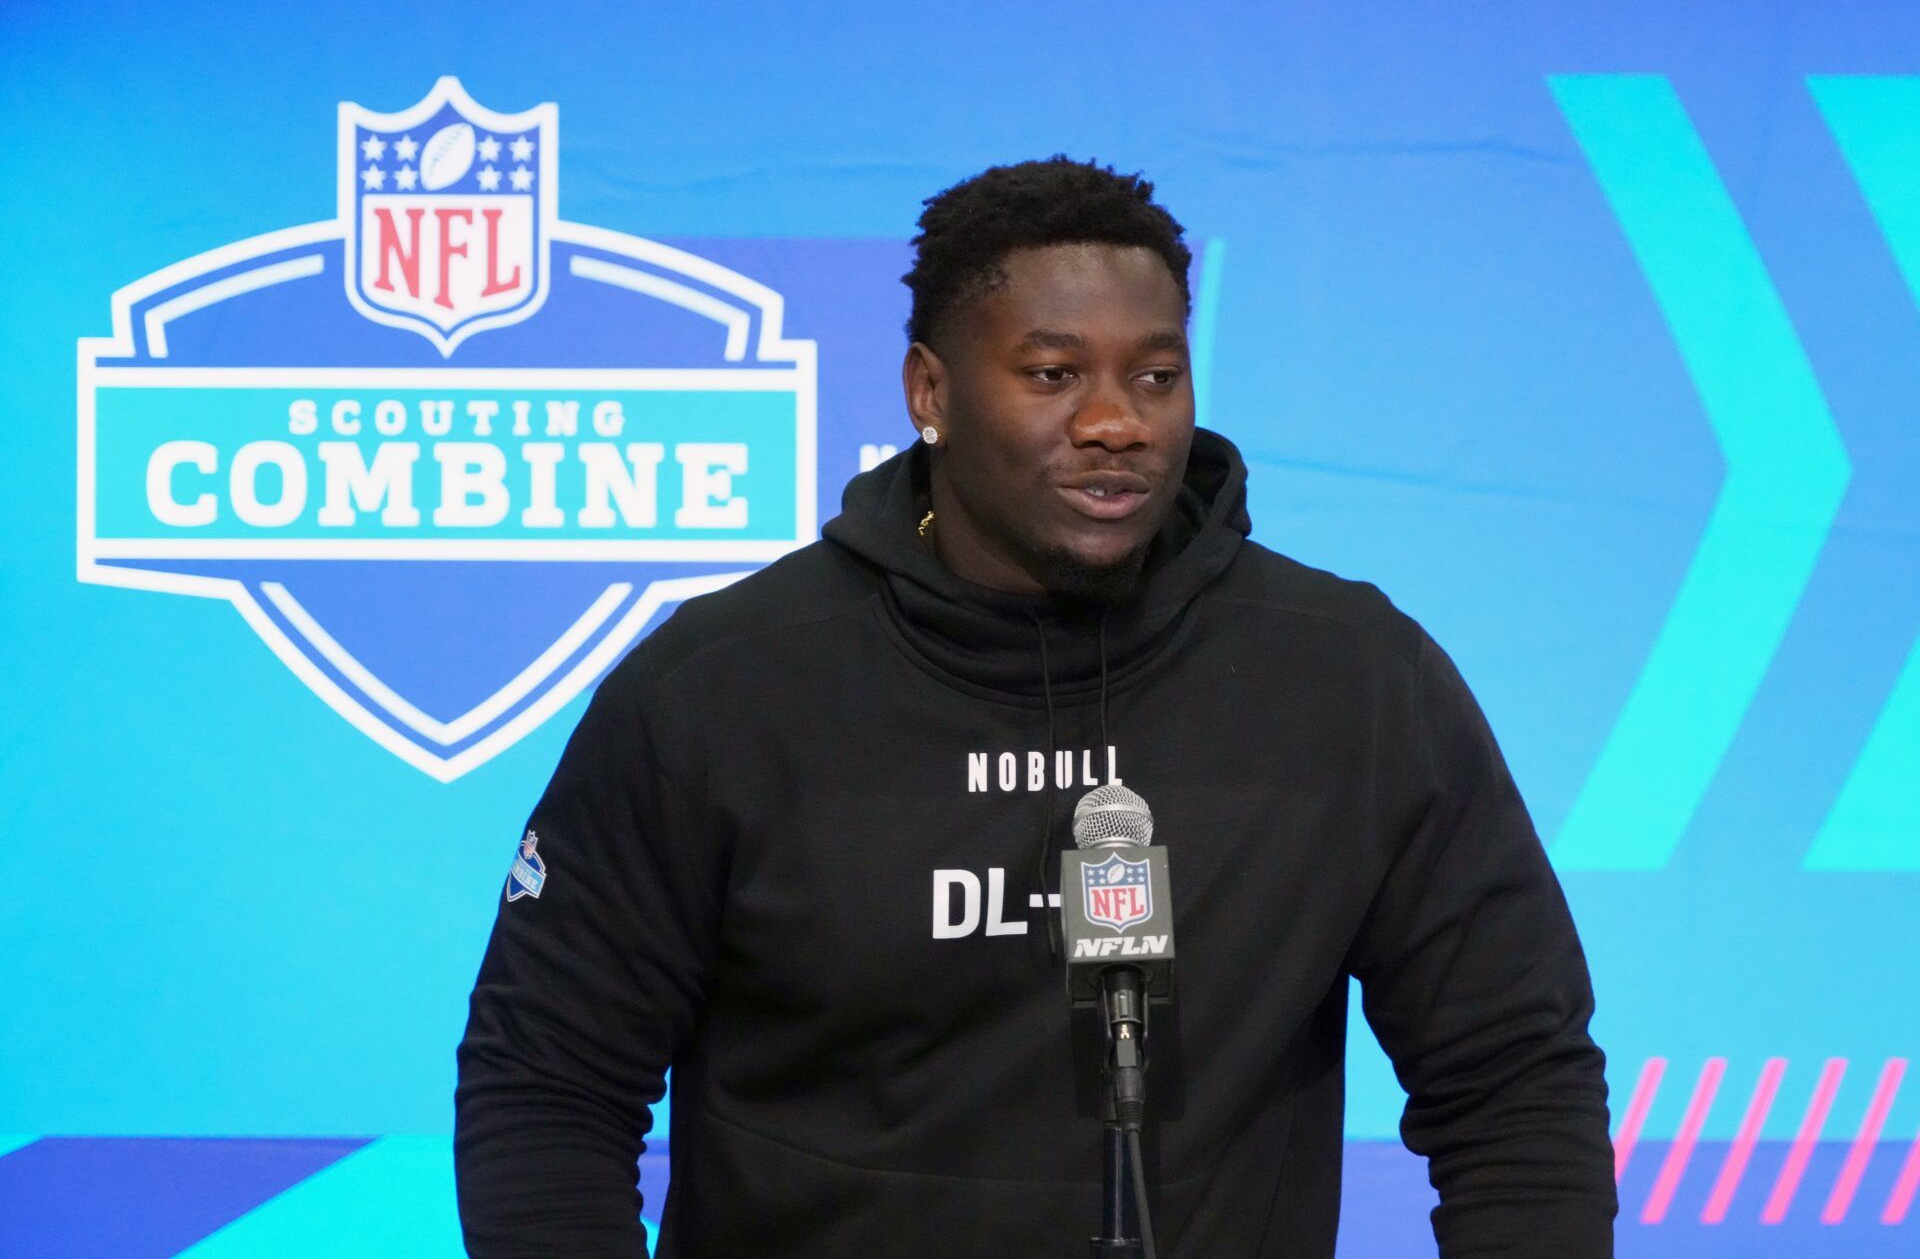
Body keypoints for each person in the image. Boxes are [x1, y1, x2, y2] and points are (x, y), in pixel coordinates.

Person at [455, 156, 1615, 1257]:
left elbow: (1515, 1077)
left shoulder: (1354, 681)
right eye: (1053, 374)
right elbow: (548, 1081)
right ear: (931, 391)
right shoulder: (722, 688)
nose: (1118, 421)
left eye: (1155, 376)